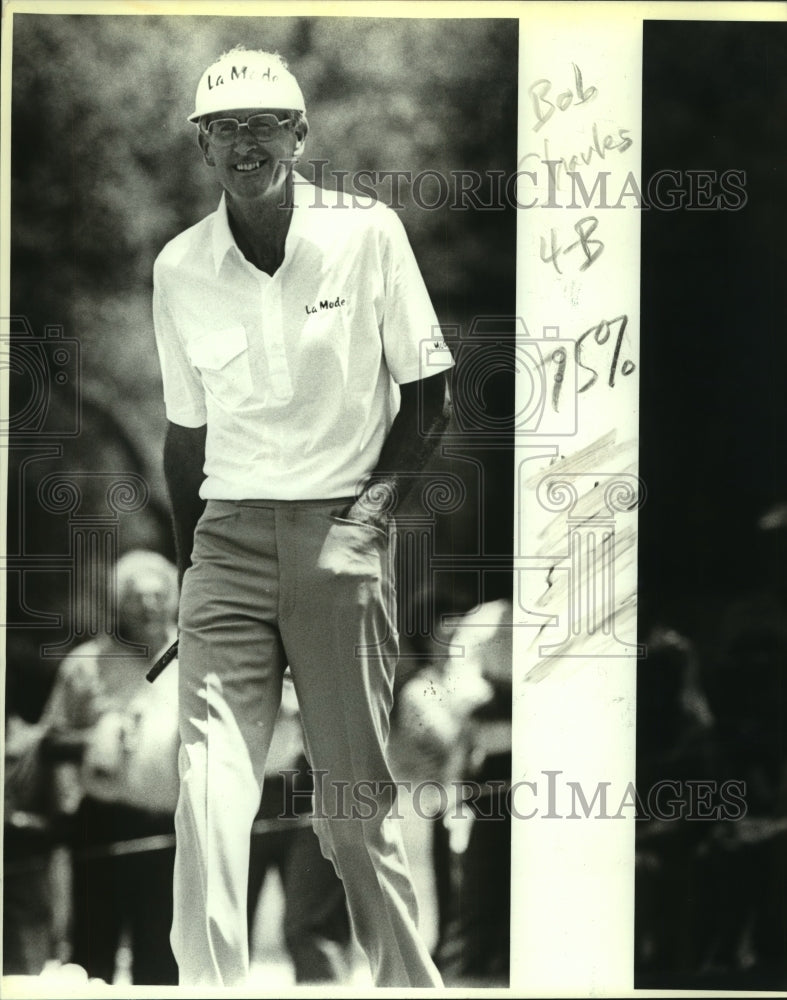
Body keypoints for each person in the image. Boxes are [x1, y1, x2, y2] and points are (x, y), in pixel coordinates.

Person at [152, 46, 454, 987]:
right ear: (202, 147)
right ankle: (210, 989)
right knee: (207, 792)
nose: (245, 144)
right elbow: (185, 440)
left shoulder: (368, 233)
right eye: (224, 129)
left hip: (341, 533)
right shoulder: (178, 267)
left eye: (264, 125)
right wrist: (188, 577)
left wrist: (366, 524)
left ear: (299, 135)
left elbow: (430, 398)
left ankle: (408, 983)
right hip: (226, 543)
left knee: (351, 814)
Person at [38, 550, 181, 985]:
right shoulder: (87, 663)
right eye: (137, 597)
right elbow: (49, 742)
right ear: (119, 603)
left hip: (171, 829)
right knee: (91, 959)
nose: (149, 606)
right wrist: (94, 739)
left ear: (174, 600)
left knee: (161, 962)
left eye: (158, 596)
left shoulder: (196, 657)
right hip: (102, 824)